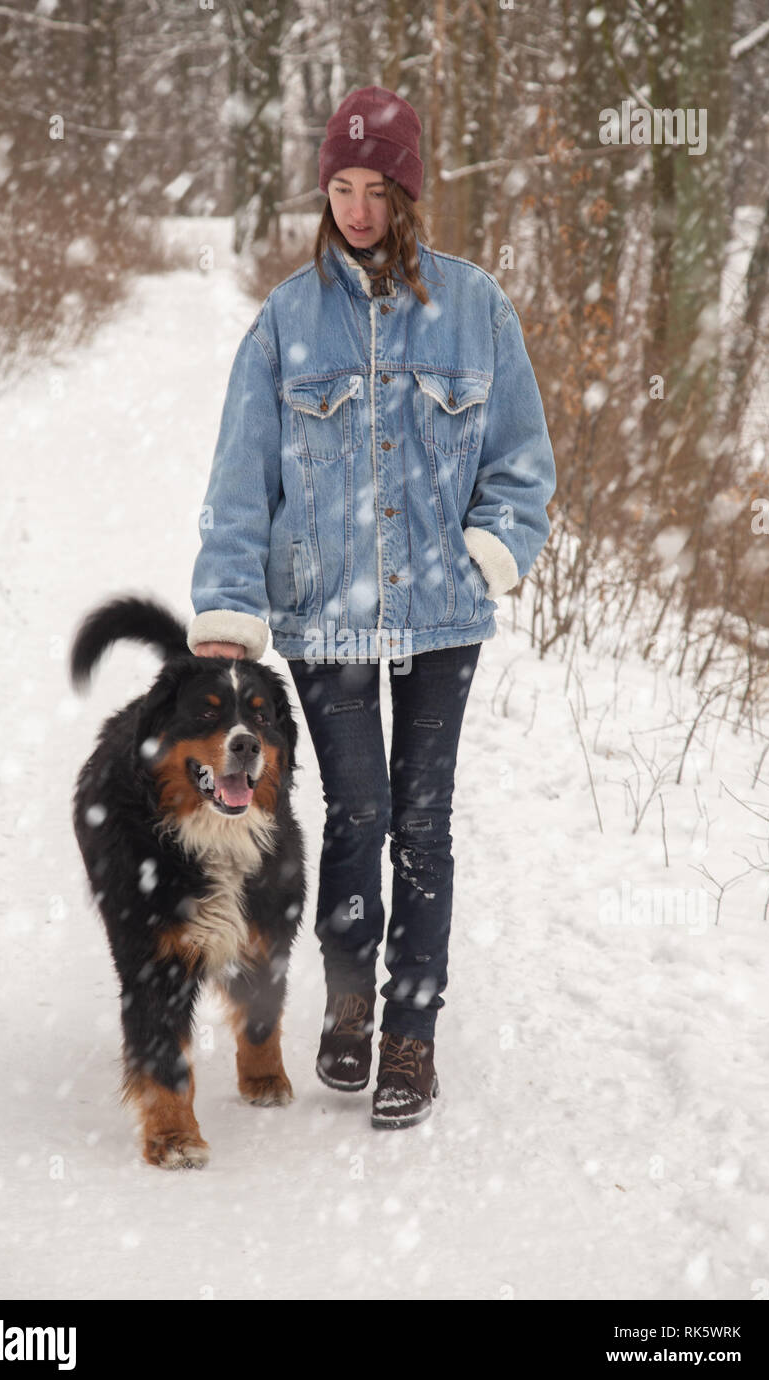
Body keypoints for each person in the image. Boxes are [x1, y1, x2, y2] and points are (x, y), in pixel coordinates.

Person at [188, 86, 556, 1129]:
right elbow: (240, 477)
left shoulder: (473, 306)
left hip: (440, 618)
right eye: (339, 188)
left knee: (422, 822)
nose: (355, 208)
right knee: (355, 815)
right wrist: (226, 605)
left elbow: (522, 460)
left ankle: (410, 1032)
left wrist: (492, 548)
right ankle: (348, 1002)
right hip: (324, 617)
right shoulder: (286, 321)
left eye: (374, 188)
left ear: (406, 191)